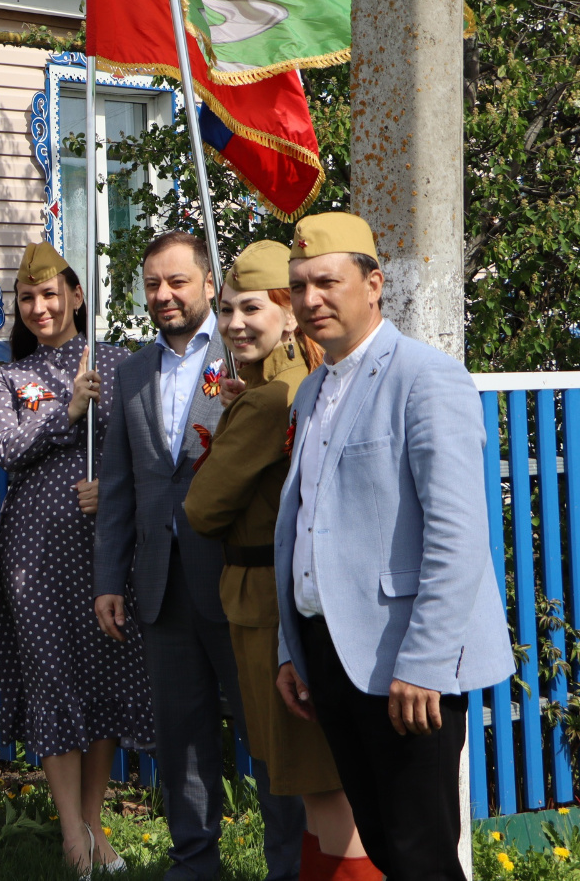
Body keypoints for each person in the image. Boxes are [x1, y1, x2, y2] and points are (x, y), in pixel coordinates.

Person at [273, 213, 515, 880]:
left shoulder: (425, 378)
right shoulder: (314, 389)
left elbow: (457, 534)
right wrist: (293, 648)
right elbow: (307, 526)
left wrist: (426, 662)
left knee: (420, 855)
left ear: (373, 284)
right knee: (384, 843)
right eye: (299, 286)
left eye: (327, 281)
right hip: (333, 654)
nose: (310, 299)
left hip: (408, 662)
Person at [93, 231, 305, 881]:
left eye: (177, 281)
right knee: (180, 733)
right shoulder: (130, 372)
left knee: (266, 734)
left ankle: (288, 863)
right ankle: (193, 861)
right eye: (152, 283)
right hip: (160, 586)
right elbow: (122, 485)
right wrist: (110, 577)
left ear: (210, 284)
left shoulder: (246, 350)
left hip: (241, 579)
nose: (163, 294)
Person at [181, 242, 378, 881]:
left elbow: (203, 508)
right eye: (226, 310)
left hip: (269, 605)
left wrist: (239, 413)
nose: (234, 324)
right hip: (272, 600)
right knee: (316, 785)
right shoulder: (284, 388)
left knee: (317, 785)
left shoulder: (269, 401)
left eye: (251, 308)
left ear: (288, 315)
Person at [0, 241, 153, 877]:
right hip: (34, 550)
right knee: (53, 676)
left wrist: (110, 487)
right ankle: (68, 834)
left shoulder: (117, 362)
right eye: (28, 298)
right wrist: (68, 413)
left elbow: (146, 453)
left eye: (51, 294)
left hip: (103, 550)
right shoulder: (10, 378)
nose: (40, 307)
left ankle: (93, 820)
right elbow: (6, 446)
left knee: (102, 676)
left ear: (76, 297)